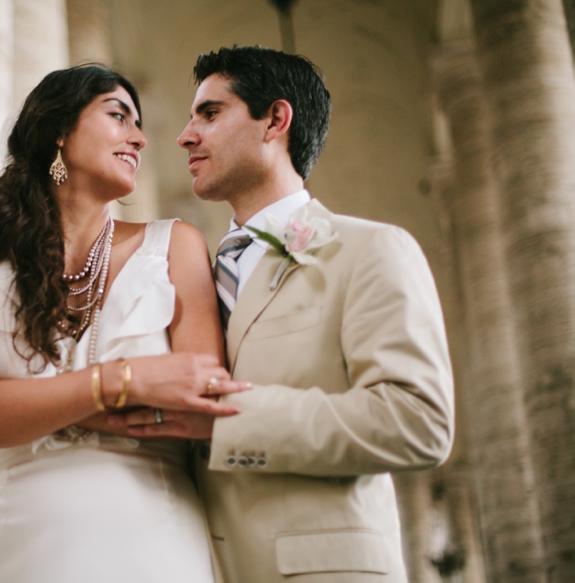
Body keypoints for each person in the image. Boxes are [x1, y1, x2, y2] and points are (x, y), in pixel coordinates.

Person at [111, 46, 455, 582]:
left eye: (209, 113)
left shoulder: (371, 250)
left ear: (275, 119)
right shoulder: (183, 271)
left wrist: (228, 422)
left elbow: (418, 421)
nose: (184, 135)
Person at [0, 64, 250, 583]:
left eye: (139, 124)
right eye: (118, 116)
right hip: (15, 544)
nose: (140, 139)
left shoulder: (175, 245)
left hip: (154, 542)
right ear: (58, 130)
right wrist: (126, 382)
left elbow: (198, 403)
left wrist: (17, 409)